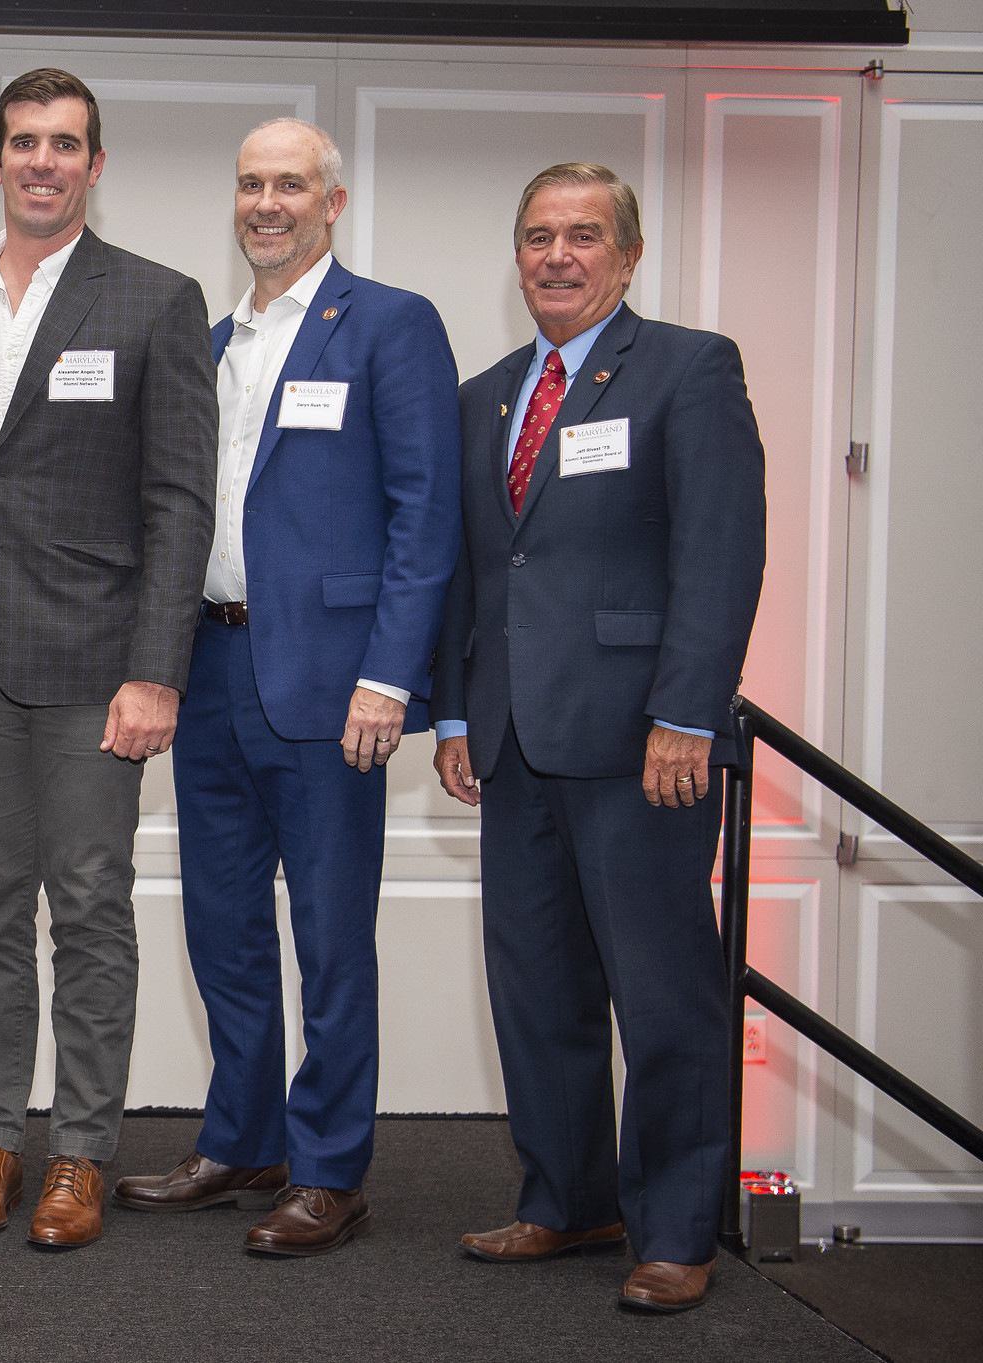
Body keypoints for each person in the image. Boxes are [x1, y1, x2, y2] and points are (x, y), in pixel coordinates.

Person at [112, 119, 460, 1256]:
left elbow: (423, 519)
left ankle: (327, 1166)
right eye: (250, 184)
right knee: (220, 928)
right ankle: (241, 1138)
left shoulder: (390, 325)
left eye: (289, 184)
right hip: (208, 668)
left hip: (328, 683)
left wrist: (387, 678)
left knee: (327, 934)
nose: (266, 202)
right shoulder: (211, 340)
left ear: (331, 200)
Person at [432, 162, 765, 1312]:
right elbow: (476, 572)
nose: (556, 256)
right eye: (536, 237)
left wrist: (684, 713)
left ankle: (673, 1229)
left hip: (640, 747)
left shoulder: (687, 368)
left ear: (625, 255)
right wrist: (455, 710)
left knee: (662, 992)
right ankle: (565, 1199)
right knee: (536, 988)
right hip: (513, 739)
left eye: (581, 236)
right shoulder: (483, 395)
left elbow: (719, 556)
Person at [0, 68, 217, 1250]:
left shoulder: (155, 300)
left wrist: (158, 667)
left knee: (89, 905)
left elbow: (180, 500)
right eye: (22, 143)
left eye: (65, 144)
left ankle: (81, 1151)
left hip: (99, 661)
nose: (42, 161)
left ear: (95, 166)